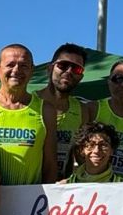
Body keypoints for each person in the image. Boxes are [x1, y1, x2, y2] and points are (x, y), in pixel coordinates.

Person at [0, 43, 57, 185]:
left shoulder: (46, 110)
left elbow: (50, 165)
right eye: (10, 64)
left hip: (28, 201)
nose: (16, 70)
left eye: (23, 66)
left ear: (32, 70)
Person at [39, 43, 92, 177]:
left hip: (60, 189)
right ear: (49, 69)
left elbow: (79, 156)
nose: (69, 71)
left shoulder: (82, 110)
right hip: (28, 187)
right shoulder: (29, 102)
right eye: (63, 65)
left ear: (81, 77)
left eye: (77, 69)